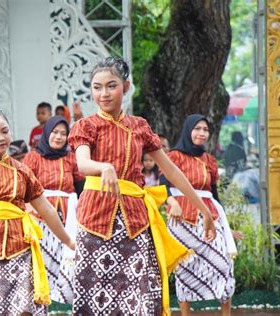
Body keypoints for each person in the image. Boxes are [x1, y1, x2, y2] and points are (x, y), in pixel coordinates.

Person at [68, 57, 216, 315]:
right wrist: (104, 167)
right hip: (94, 218)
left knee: (138, 293)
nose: (103, 94)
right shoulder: (86, 126)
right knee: (92, 292)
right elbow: (82, 163)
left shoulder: (139, 126)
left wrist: (203, 210)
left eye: (111, 86)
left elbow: (170, 170)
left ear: (125, 87)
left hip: (134, 220)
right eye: (97, 87)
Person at [0, 102, 75, 315]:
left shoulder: (22, 170)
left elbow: (46, 209)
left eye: (5, 131)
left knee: (25, 309)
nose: (1, 138)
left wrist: (69, 241)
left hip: (19, 248)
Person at [159, 114, 243, 316]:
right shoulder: (174, 156)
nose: (202, 133)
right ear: (188, 130)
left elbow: (214, 196)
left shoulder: (210, 161)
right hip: (181, 220)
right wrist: (172, 202)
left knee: (224, 264)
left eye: (205, 130)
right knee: (186, 269)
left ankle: (226, 313)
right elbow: (163, 184)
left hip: (210, 218)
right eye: (197, 128)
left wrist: (226, 227)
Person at [23, 115, 84, 304]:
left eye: (63, 134)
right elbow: (24, 188)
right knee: (42, 266)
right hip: (39, 218)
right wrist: (29, 208)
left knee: (65, 266)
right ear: (47, 132)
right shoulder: (32, 157)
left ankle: (65, 303)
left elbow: (81, 188)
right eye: (55, 132)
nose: (58, 137)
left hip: (68, 221)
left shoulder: (70, 159)